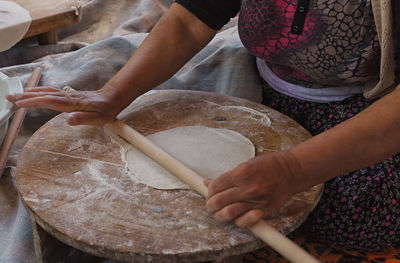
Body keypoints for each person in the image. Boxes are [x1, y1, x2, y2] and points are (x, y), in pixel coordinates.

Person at [7, 0, 400, 251]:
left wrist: (293, 169)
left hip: (363, 106)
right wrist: (113, 94)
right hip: (258, 70)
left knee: (357, 219)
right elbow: (191, 20)